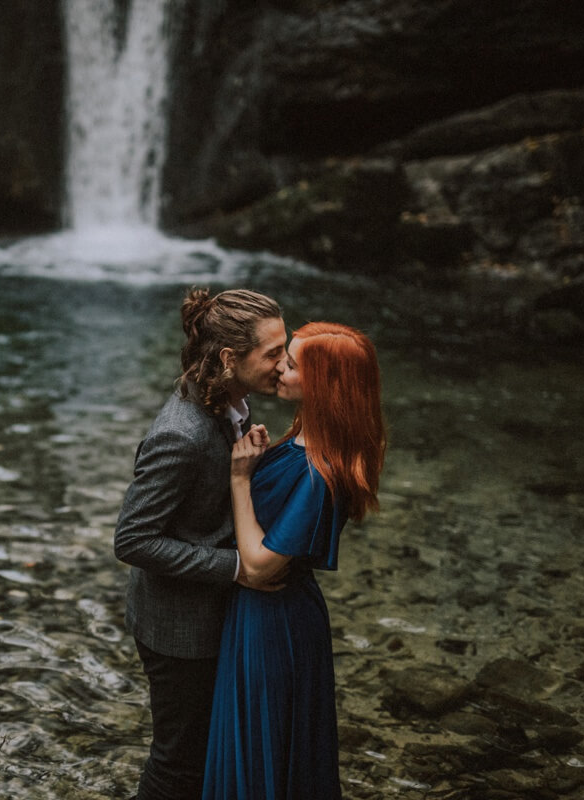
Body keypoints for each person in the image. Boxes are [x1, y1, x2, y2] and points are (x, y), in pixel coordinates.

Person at [115, 287, 289, 800]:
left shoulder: (230, 394)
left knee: (206, 753)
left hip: (207, 617)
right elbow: (133, 539)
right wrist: (236, 567)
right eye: (273, 352)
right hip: (178, 631)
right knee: (178, 764)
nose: (286, 363)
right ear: (230, 358)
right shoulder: (181, 434)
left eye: (287, 347)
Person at [202, 322, 387, 799]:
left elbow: (261, 566)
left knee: (260, 754)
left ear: (324, 385)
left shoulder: (319, 473)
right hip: (268, 615)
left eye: (292, 363)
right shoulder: (308, 437)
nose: (280, 366)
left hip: (273, 620)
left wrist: (241, 479)